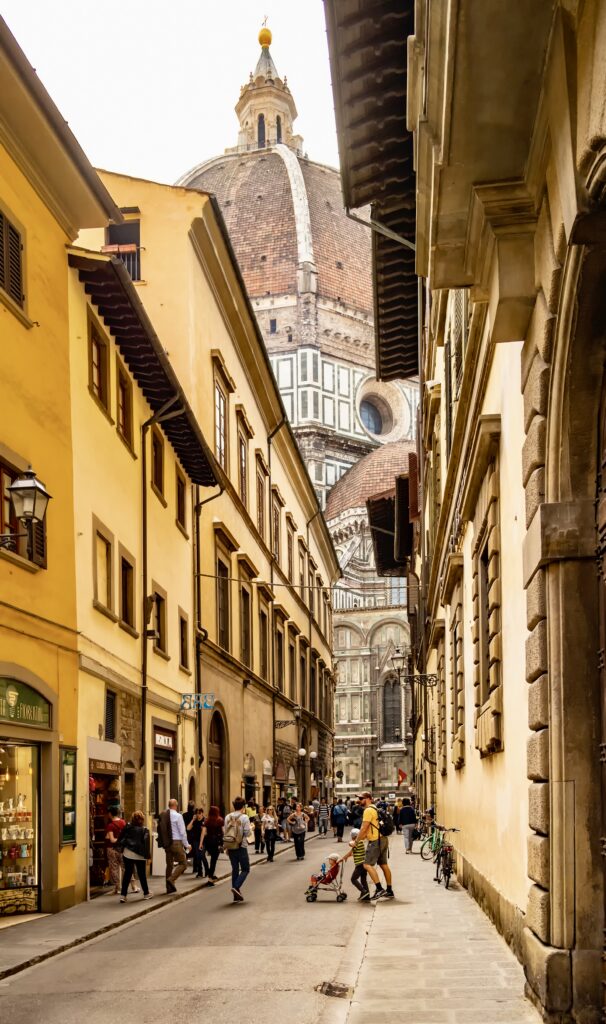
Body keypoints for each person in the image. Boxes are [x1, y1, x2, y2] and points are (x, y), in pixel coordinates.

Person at [357, 791, 394, 900]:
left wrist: (356, 841)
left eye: (361, 798)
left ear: (368, 798)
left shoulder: (368, 810)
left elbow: (364, 827)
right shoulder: (375, 808)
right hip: (383, 839)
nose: (359, 800)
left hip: (375, 841)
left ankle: (379, 889)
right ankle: (389, 890)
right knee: (383, 864)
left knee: (367, 864)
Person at [157, 797, 191, 893]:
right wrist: (187, 845)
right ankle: (171, 879)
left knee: (169, 865)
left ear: (169, 806)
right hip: (176, 843)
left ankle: (169, 888)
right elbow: (182, 832)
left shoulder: (164, 815)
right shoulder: (178, 816)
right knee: (183, 864)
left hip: (167, 843)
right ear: (176, 806)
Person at [119, 811, 152, 902]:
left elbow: (121, 838)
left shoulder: (127, 827)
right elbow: (146, 845)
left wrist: (122, 848)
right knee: (142, 874)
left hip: (128, 852)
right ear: (142, 820)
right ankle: (146, 893)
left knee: (127, 874)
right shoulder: (145, 830)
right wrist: (148, 857)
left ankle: (123, 895)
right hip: (140, 855)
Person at [224, 796, 251, 902]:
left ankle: (236, 895)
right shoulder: (244, 817)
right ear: (243, 806)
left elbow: (225, 831)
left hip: (230, 846)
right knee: (245, 869)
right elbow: (247, 833)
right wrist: (251, 828)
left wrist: (226, 846)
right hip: (241, 846)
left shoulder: (227, 817)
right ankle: (236, 887)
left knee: (235, 869)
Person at [106, 808, 139, 895]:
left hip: (112, 849)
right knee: (127, 868)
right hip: (123, 849)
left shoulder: (110, 825)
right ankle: (134, 886)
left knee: (114, 869)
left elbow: (112, 840)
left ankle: (117, 888)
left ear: (110, 814)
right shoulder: (123, 823)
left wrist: (116, 839)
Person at [340, 826, 369, 901]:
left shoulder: (357, 842)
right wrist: (344, 858)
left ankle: (363, 891)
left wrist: (350, 843)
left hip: (360, 864)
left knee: (353, 879)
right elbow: (352, 852)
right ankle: (366, 896)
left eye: (352, 836)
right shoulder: (361, 842)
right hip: (364, 863)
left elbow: (351, 845)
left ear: (354, 836)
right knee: (363, 880)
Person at [200, 805, 224, 884]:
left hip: (208, 841)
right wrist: (223, 843)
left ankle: (211, 874)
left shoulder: (207, 820)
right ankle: (210, 878)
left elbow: (203, 832)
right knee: (214, 860)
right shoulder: (220, 820)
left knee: (212, 860)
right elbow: (223, 832)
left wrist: (201, 843)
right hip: (216, 842)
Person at [187, 807, 209, 876]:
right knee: (197, 856)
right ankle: (200, 872)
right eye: (197, 813)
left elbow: (204, 833)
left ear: (202, 813)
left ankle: (207, 871)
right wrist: (192, 820)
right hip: (196, 841)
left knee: (202, 856)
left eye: (199, 813)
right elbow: (188, 828)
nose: (198, 815)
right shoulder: (195, 820)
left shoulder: (205, 820)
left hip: (204, 841)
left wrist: (201, 843)